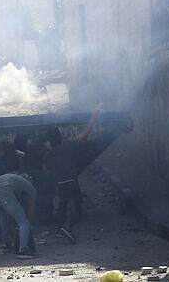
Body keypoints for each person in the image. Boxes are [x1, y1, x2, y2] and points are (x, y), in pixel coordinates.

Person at [42, 103, 103, 244]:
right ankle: (67, 227)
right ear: (60, 137)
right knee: (77, 206)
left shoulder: (49, 155)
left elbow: (46, 171)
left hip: (60, 184)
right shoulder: (68, 146)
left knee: (62, 206)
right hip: (71, 182)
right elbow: (85, 133)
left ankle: (60, 228)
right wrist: (95, 116)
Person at [0, 173, 37, 259]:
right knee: (23, 222)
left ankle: (7, 243)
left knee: (4, 214)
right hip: (3, 190)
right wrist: (29, 226)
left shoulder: (14, 178)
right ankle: (23, 250)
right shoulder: (31, 189)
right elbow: (31, 209)